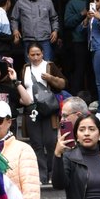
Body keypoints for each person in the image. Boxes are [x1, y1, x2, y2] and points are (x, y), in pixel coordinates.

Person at [21, 43, 68, 185]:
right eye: (32, 54)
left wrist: (50, 78)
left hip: (48, 110)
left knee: (50, 142)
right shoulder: (25, 68)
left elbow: (63, 84)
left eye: (38, 54)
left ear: (43, 53)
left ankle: (53, 174)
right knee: (36, 144)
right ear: (28, 55)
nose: (35, 57)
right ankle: (41, 175)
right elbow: (23, 87)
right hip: (31, 109)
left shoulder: (49, 66)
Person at [10, 0, 59, 64]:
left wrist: (55, 31)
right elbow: (14, 19)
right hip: (28, 40)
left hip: (45, 40)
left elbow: (54, 18)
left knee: (46, 64)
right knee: (29, 65)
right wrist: (15, 30)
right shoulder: (20, 3)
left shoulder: (48, 2)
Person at [63, 0, 95, 99]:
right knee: (79, 72)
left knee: (93, 72)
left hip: (94, 42)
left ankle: (94, 100)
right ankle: (74, 99)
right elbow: (67, 22)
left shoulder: (95, 1)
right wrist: (82, 14)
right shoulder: (72, 3)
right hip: (79, 41)